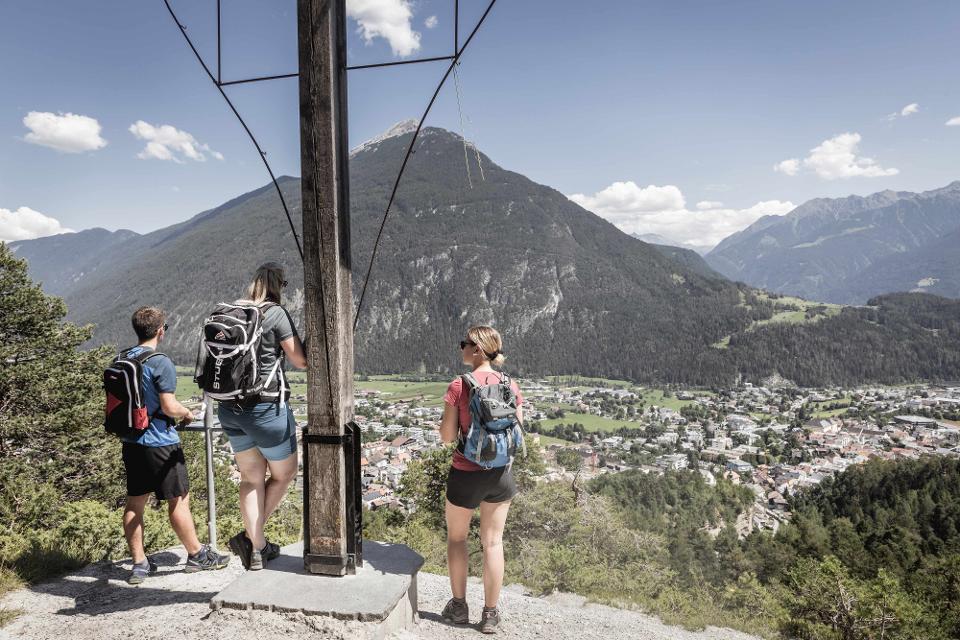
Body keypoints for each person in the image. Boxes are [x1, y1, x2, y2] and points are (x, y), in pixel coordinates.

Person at [121, 306, 230, 585]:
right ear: (161, 331)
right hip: (160, 442)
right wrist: (187, 413)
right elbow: (169, 406)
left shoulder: (123, 358)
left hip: (132, 441)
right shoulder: (160, 362)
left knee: (135, 502)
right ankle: (197, 555)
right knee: (178, 500)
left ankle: (139, 564)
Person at [220, 262, 307, 571]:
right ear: (279, 285)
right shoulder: (275, 314)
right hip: (265, 409)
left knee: (250, 477)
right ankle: (250, 539)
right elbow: (300, 360)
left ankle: (258, 549)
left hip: (229, 409)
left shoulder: (235, 312)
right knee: (284, 474)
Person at [439, 325, 524, 634]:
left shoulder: (460, 385)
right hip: (501, 474)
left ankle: (459, 607)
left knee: (457, 539)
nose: (461, 346)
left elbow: (448, 437)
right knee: (493, 542)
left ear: (477, 349)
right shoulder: (510, 384)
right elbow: (518, 431)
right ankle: (489, 614)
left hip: (466, 473)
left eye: (465, 343)